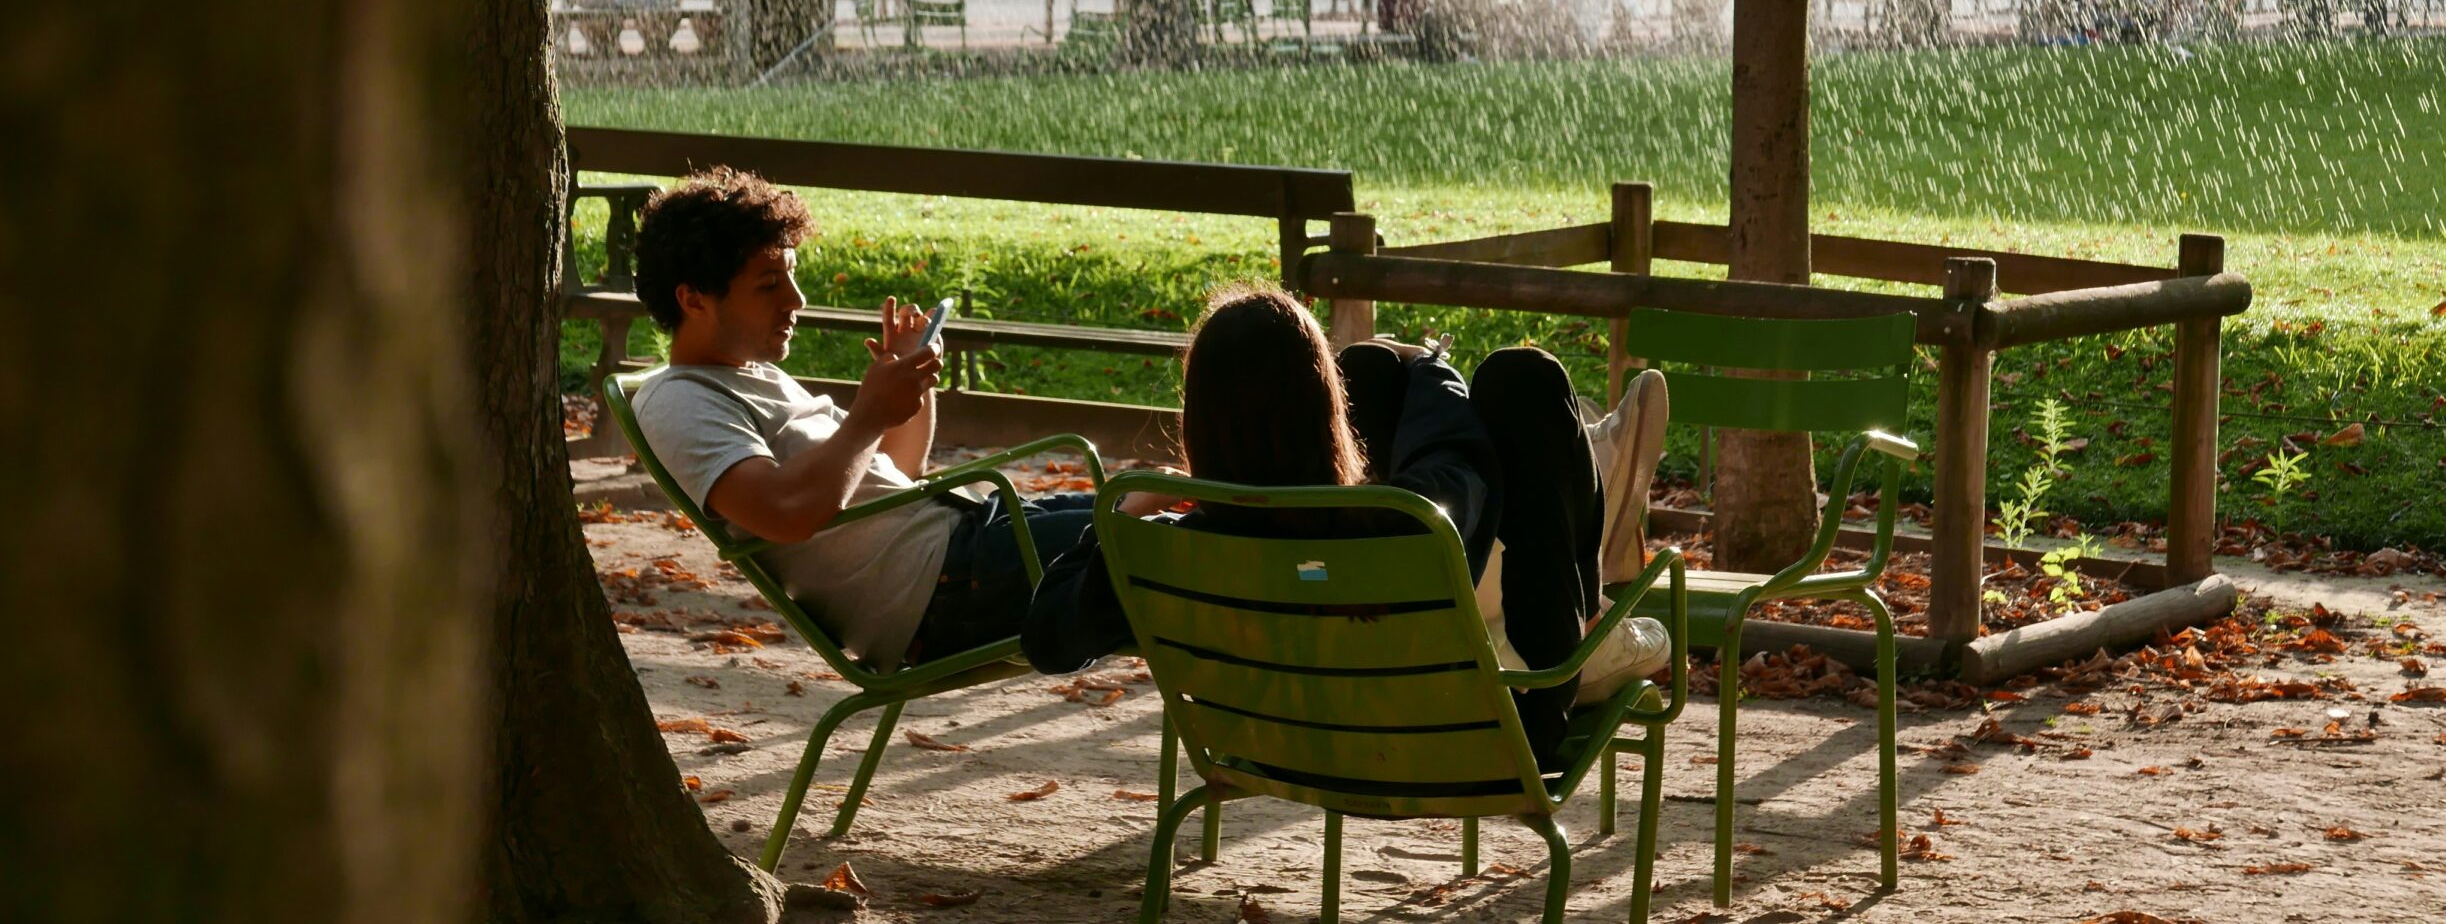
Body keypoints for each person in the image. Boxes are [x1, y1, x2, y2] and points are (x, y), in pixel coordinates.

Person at [1024, 285, 1670, 765]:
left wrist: (1116, 516)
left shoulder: (1172, 544)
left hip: (1281, 747)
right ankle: (1598, 513)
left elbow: (1049, 638)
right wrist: (1427, 362)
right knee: (1520, 380)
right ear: (1325, 408)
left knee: (1372, 368)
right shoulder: (1401, 521)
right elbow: (1459, 459)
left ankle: (1601, 478)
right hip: (1484, 744)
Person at [628, 170, 1141, 668]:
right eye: (769, 285)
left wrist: (907, 382)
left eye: (792, 276)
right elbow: (783, 513)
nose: (797, 300)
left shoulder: (753, 375)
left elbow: (897, 469)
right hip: (947, 587)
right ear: (694, 298)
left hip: (975, 540)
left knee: (1177, 507)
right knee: (1173, 537)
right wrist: (869, 416)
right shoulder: (678, 401)